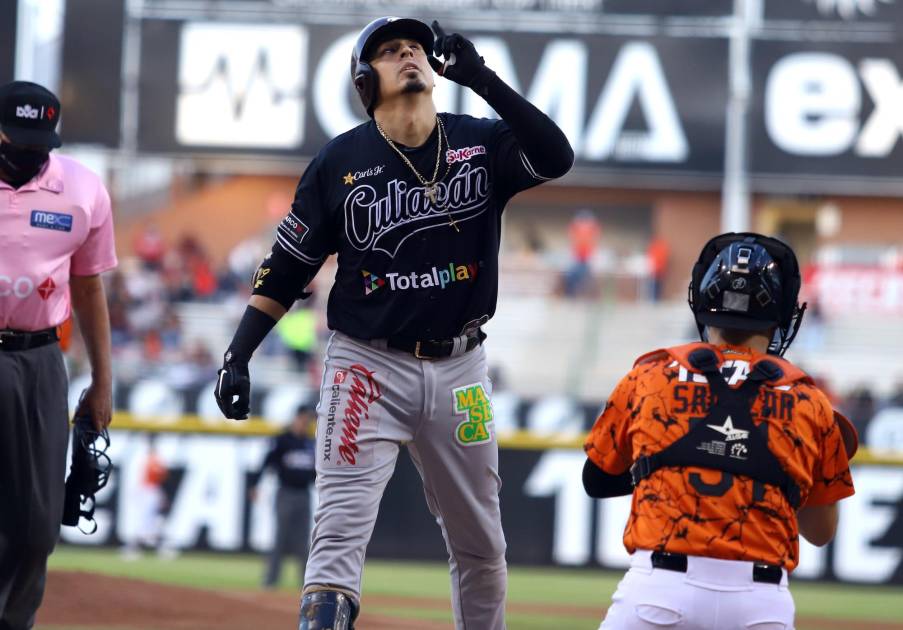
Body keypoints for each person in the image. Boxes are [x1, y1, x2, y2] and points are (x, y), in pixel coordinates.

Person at [214, 17, 573, 630]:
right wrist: (238, 354)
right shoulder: (338, 162)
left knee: (483, 544)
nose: (408, 54)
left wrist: (483, 80)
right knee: (337, 539)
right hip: (366, 364)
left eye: (414, 48)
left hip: (462, 368)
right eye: (388, 51)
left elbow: (556, 156)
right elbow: (287, 269)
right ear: (365, 80)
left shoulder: (479, 141)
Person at [583, 232, 858, 630]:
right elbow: (821, 532)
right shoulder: (810, 401)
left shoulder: (649, 376)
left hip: (658, 591)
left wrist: (671, 462)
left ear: (701, 302)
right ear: (782, 313)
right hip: (761, 602)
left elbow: (595, 479)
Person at [0, 80, 117, 630]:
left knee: (39, 524)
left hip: (41, 358)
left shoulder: (83, 189)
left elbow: (89, 286)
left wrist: (102, 381)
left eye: (39, 143)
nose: (29, 153)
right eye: (18, 141)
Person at [250, 404, 317, 589]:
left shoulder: (310, 442)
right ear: (297, 418)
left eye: (308, 420)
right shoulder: (282, 440)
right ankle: (271, 579)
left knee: (303, 540)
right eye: (304, 418)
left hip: (304, 494)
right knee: (280, 537)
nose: (306, 422)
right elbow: (266, 462)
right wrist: (255, 484)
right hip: (285, 492)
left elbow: (315, 471)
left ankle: (306, 582)